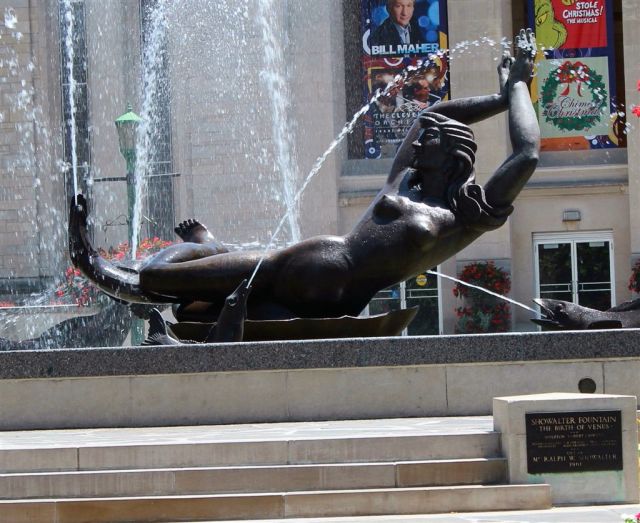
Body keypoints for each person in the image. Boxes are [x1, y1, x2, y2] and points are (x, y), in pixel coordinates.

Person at [69, 30, 540, 322]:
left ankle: (110, 261)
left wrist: (520, 86)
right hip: (313, 272)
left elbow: (527, 154)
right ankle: (203, 247)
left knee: (157, 277)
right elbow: (434, 114)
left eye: (429, 141)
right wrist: (501, 99)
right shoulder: (405, 181)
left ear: (453, 154)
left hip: (318, 274)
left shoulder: (465, 216)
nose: (417, 145)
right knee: (194, 300)